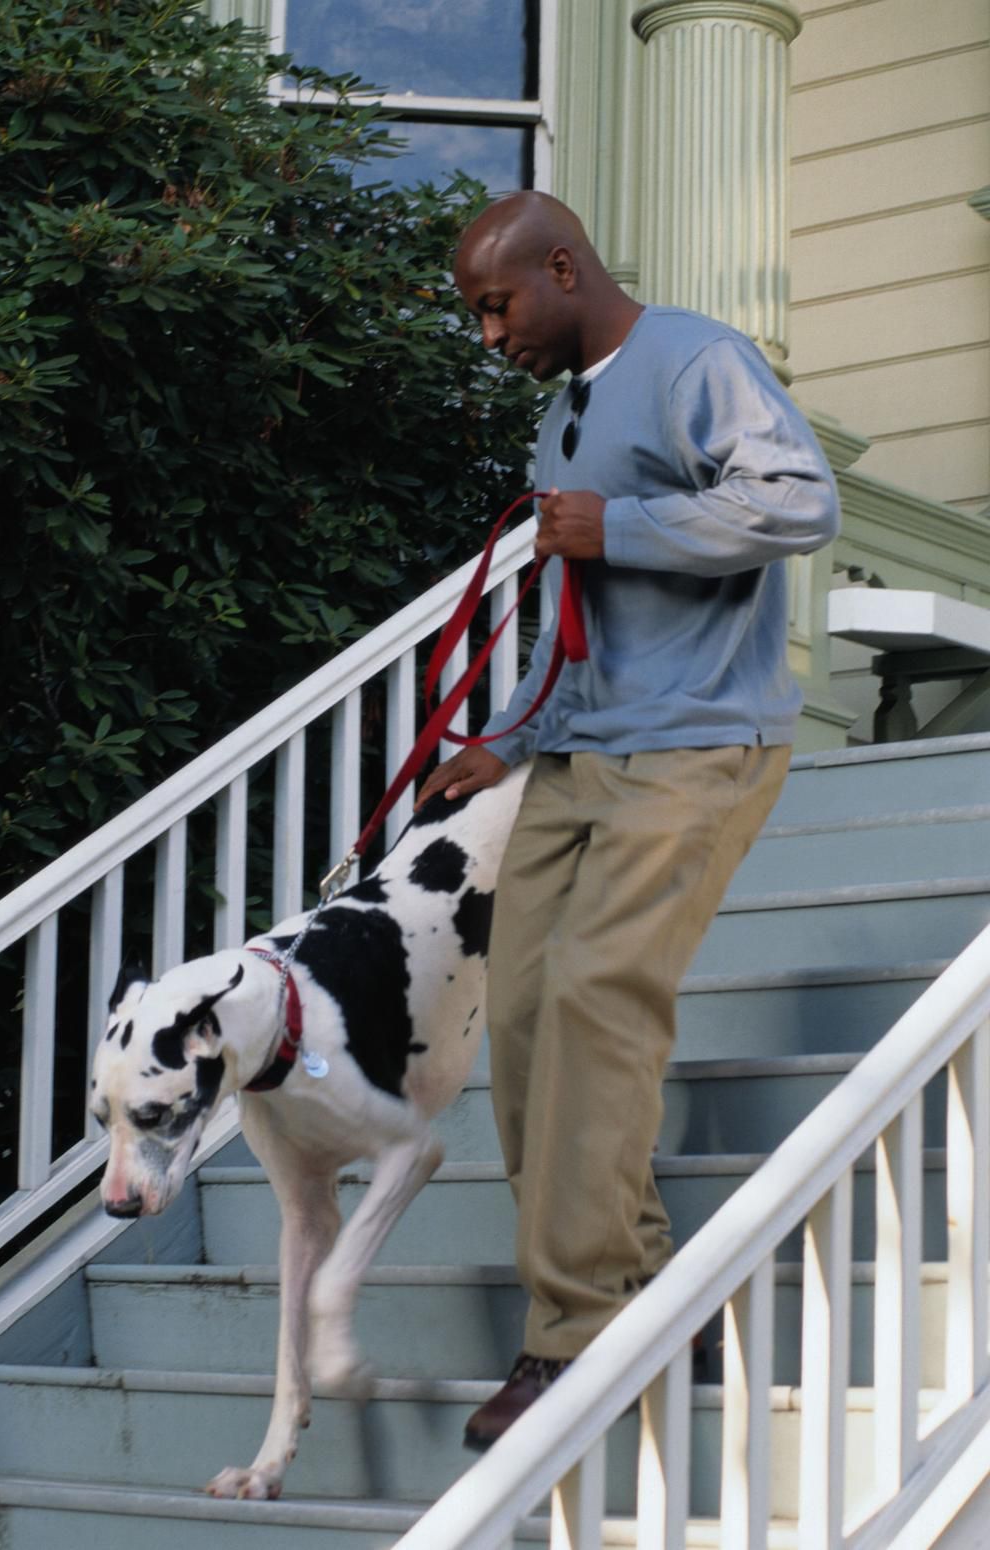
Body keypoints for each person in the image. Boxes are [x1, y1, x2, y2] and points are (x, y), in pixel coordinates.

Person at [416, 191, 840, 1451]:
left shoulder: (696, 360)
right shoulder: (561, 419)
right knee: (533, 1015)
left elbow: (798, 501)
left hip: (701, 742)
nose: (487, 336)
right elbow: (576, 617)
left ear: (561, 266)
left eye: (496, 307)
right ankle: (643, 1285)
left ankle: (576, 1336)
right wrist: (510, 736)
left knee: (602, 994)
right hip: (582, 750)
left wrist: (629, 523)